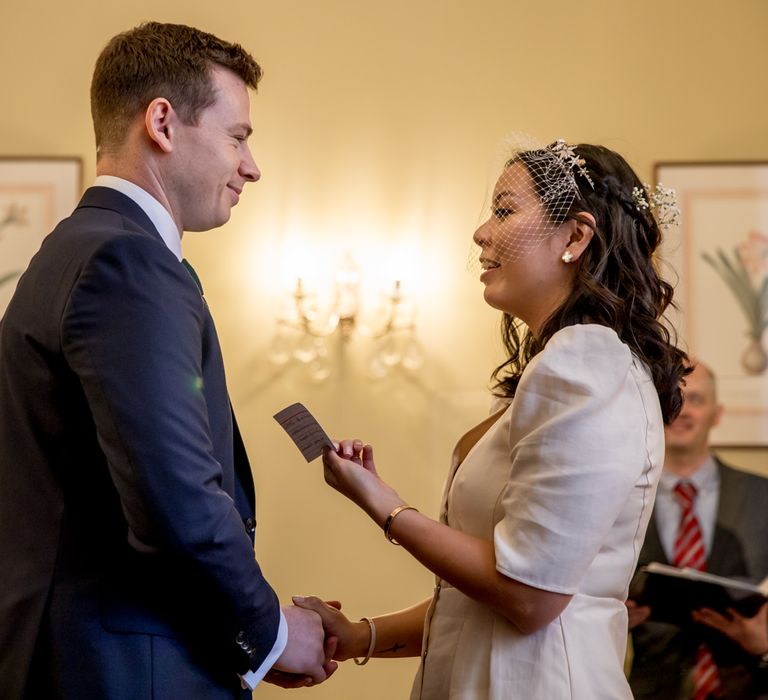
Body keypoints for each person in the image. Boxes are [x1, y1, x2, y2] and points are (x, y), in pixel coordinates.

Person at [0, 22, 334, 699]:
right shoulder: (125, 263)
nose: (251, 166)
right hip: (122, 673)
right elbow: (174, 497)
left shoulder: (75, 250)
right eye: (237, 136)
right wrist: (270, 633)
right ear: (162, 122)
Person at [292, 138, 689, 699]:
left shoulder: (586, 364)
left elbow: (530, 597)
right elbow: (477, 600)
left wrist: (380, 502)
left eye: (504, 210)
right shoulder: (559, 367)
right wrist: (361, 635)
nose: (481, 232)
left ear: (575, 237)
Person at [628, 360, 768, 699]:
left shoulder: (763, 495)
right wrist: (607, 622)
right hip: (653, 690)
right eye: (673, 399)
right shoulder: (622, 498)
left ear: (717, 414)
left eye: (698, 400)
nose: (684, 411)